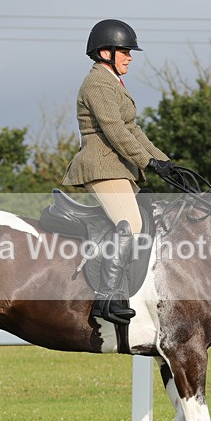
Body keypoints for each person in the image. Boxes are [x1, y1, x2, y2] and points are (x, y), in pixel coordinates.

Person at [61, 19, 172, 326]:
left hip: (120, 168)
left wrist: (166, 163)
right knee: (132, 224)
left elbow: (133, 130)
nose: (130, 57)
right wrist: (148, 163)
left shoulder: (113, 83)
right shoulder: (97, 83)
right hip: (102, 166)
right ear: (105, 52)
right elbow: (114, 132)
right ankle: (107, 296)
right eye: (124, 51)